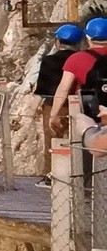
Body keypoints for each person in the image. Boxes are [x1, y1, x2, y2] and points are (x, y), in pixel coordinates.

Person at [35, 23, 85, 186]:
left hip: (53, 104)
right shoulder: (81, 59)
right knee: (77, 141)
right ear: (79, 42)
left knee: (53, 140)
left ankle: (52, 175)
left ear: (58, 42)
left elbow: (42, 87)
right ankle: (79, 174)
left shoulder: (49, 61)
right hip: (79, 104)